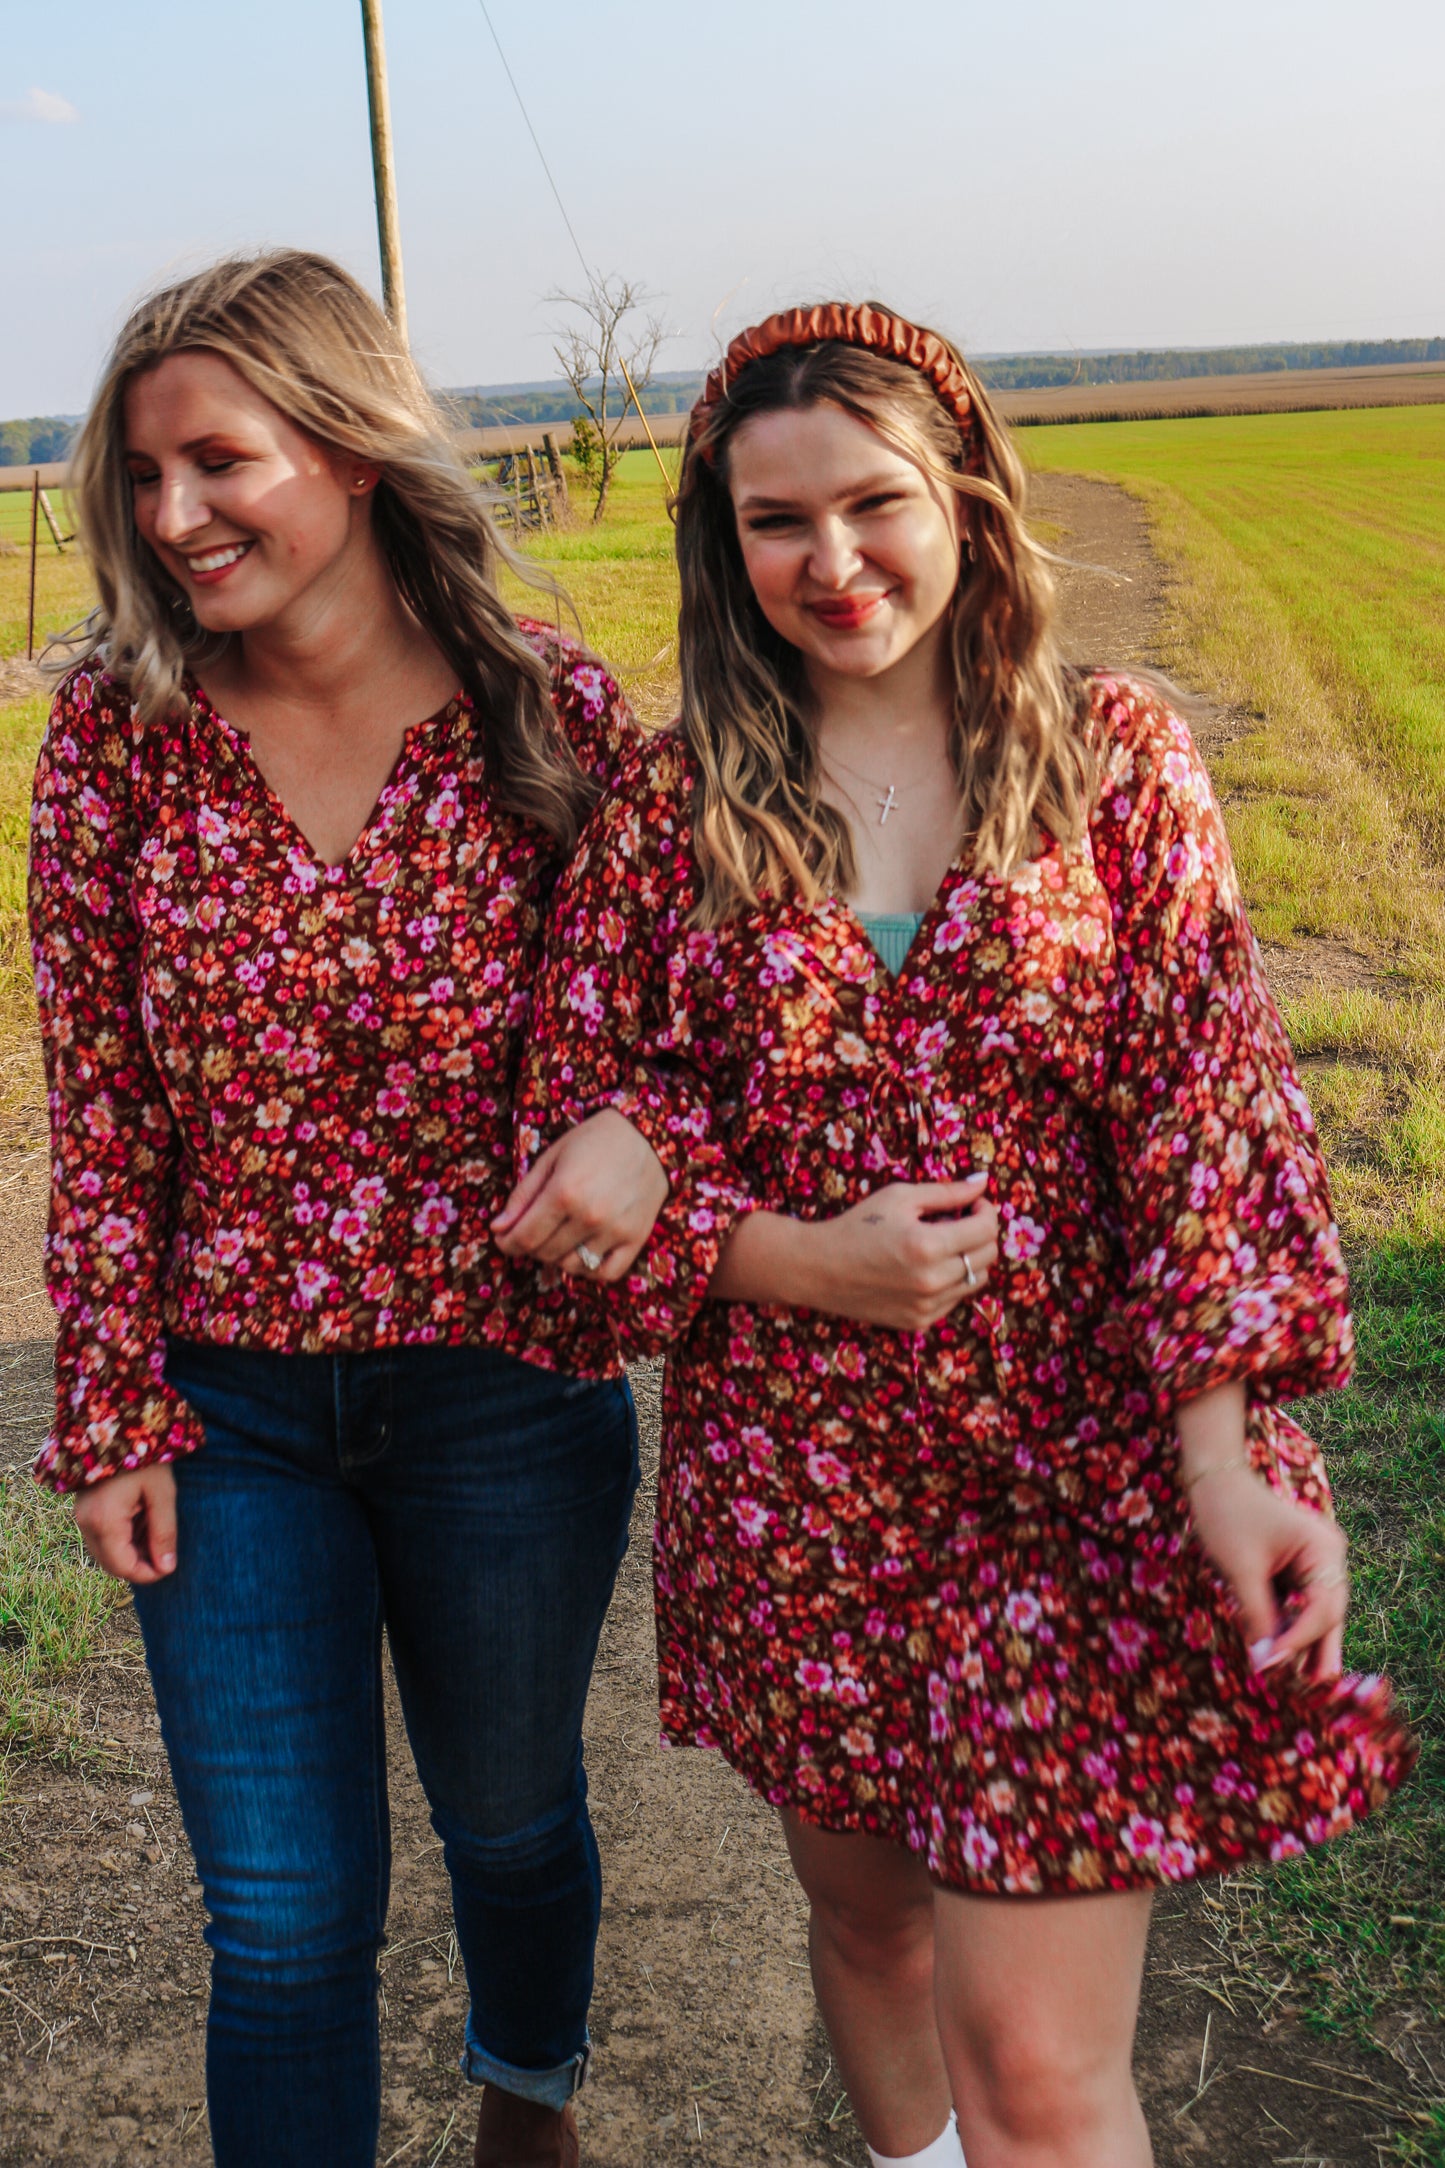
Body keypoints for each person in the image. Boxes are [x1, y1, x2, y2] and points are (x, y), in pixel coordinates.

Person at [506, 304, 1414, 2168]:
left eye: (874, 503)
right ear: (723, 546)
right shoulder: (669, 814)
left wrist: (1222, 1459)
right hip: (803, 1498)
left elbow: (1208, 1112)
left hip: (1080, 1476)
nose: (830, 561)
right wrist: (787, 1258)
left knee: (1033, 2066)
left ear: (966, 500)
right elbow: (568, 1157)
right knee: (870, 1928)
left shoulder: (1110, 758)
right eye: (776, 521)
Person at [29, 249, 671, 2168]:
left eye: (218, 462)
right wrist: (113, 1404)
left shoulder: (545, 715)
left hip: (506, 1391)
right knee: (284, 1923)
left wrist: (642, 1128)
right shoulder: (118, 740)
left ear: (356, 450)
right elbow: (100, 1101)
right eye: (145, 477)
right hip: (225, 1410)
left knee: (510, 1822)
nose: (174, 516)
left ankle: (526, 2102)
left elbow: (679, 1024)